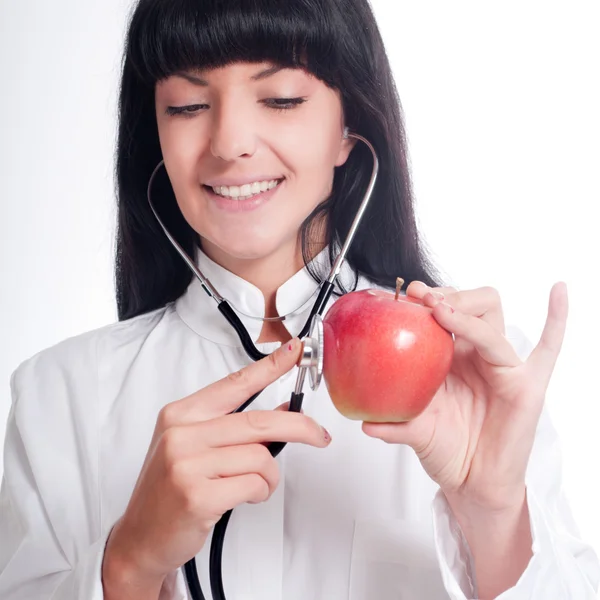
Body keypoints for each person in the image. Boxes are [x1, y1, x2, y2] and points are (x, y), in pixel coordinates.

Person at [0, 0, 598, 598]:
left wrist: (493, 512)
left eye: (281, 98)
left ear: (348, 130)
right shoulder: (57, 396)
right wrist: (128, 565)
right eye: (186, 105)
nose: (229, 142)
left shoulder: (472, 380)